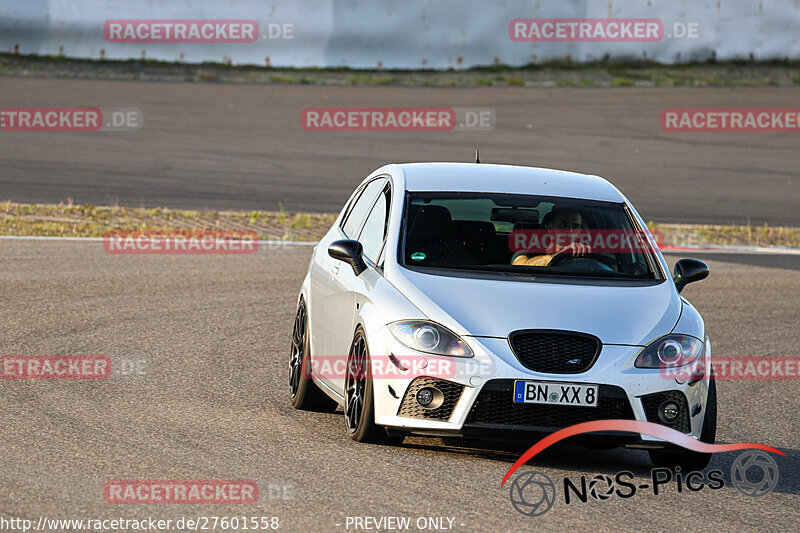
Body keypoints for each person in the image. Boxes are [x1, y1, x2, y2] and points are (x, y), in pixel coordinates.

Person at [511, 208, 591, 267]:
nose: (569, 231)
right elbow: (519, 266)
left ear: (579, 232)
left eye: (575, 226)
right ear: (550, 228)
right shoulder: (529, 253)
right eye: (563, 225)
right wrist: (560, 255)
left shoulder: (588, 254)